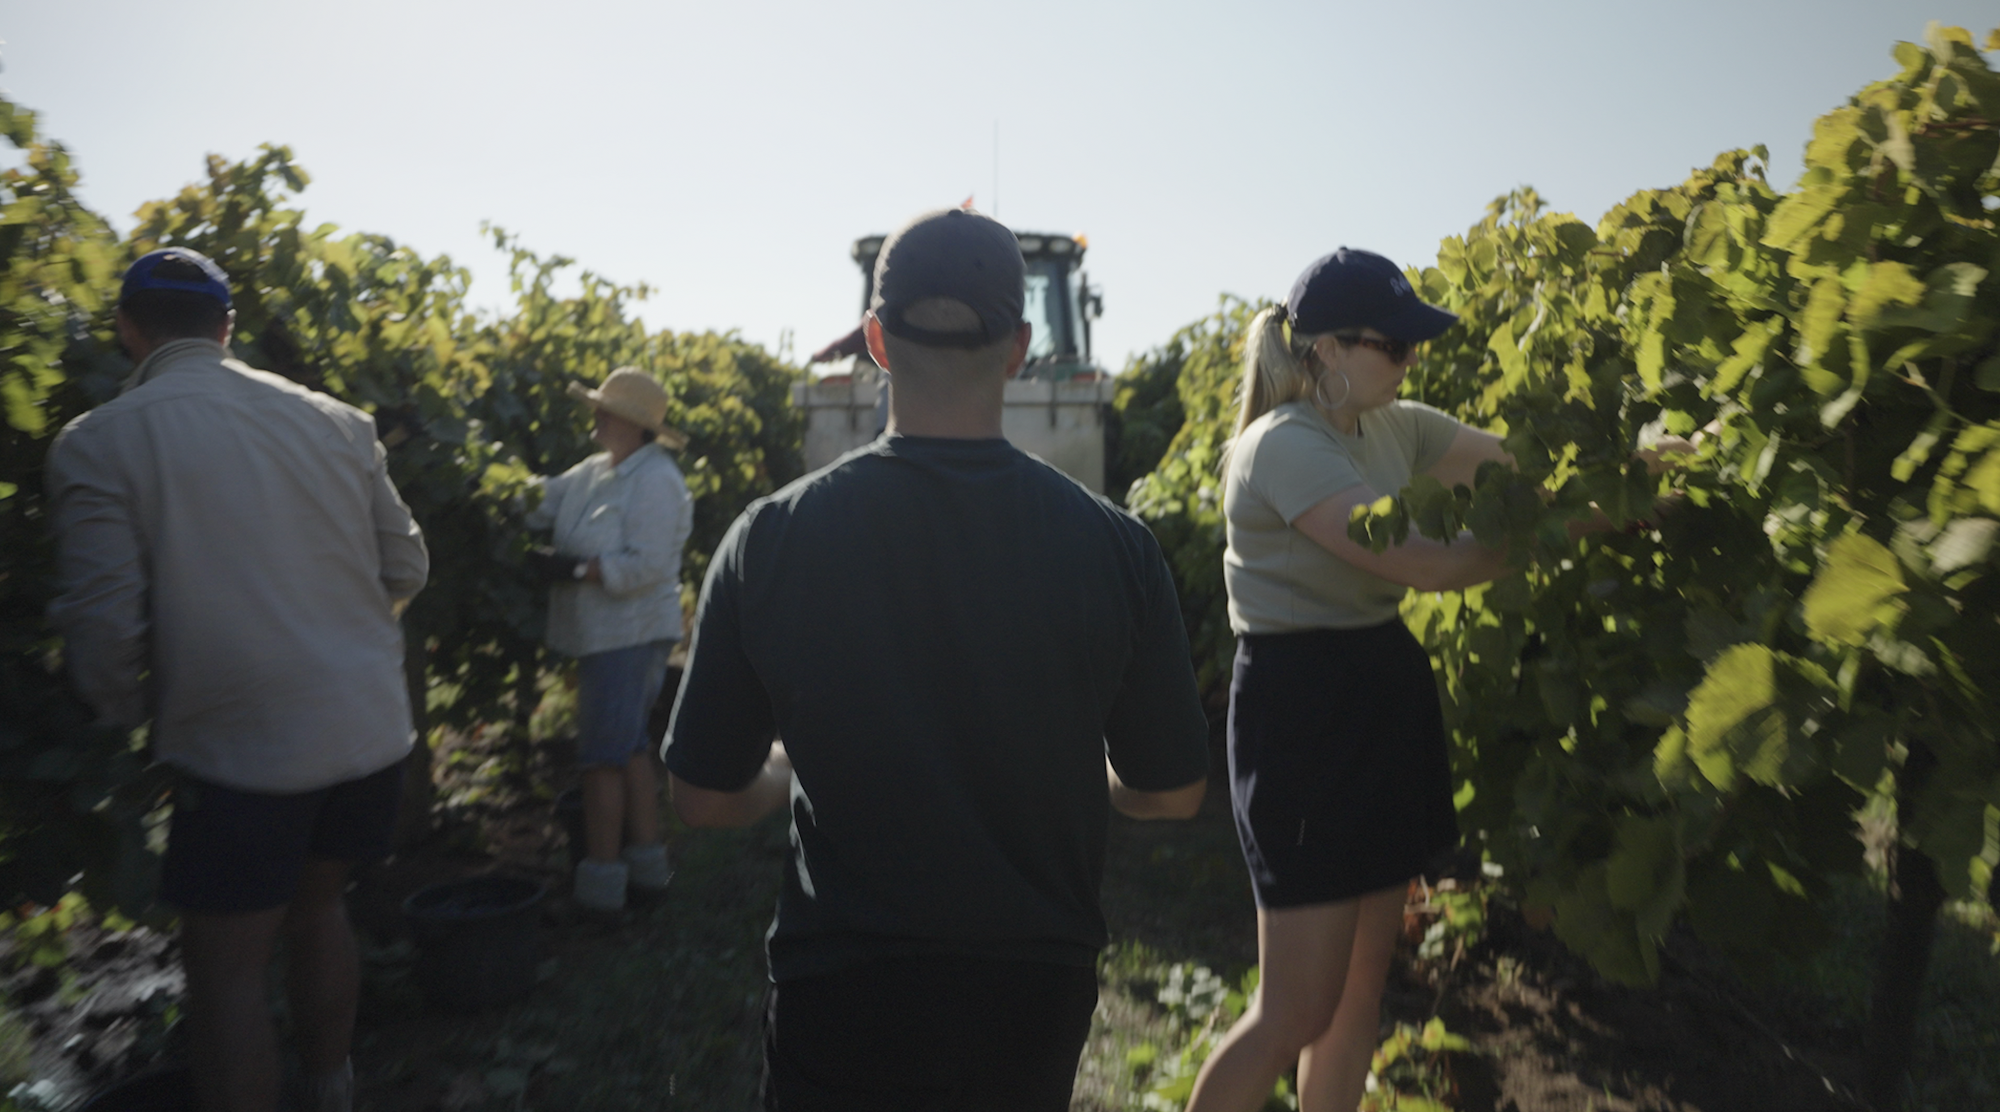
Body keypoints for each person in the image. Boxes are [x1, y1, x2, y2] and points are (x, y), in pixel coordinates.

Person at [661, 208, 1211, 1111]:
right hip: (1032, 990)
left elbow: (704, 797)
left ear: (875, 340)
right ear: (1020, 348)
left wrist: (781, 772)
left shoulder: (771, 539)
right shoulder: (1117, 548)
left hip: (842, 986)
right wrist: (1091, 770)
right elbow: (1171, 791)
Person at [46, 247, 428, 1112]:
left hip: (242, 752)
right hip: (368, 733)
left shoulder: (99, 443)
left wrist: (137, 719)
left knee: (226, 973)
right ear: (227, 328)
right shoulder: (338, 421)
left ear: (128, 331)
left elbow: (105, 637)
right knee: (320, 907)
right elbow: (407, 565)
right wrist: (334, 627)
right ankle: (333, 1091)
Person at [1182, 248, 1511, 1112]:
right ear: (1323, 350)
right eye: (1392, 345)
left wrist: (1630, 482)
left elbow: (1519, 470)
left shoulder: (1396, 425)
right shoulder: (1283, 446)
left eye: (1413, 346)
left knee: (1360, 991)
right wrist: (1545, 541)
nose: (1410, 360)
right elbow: (1418, 562)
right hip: (1304, 713)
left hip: (1378, 692)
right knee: (1293, 1010)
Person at [524, 367, 693, 912]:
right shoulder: (598, 470)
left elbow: (646, 565)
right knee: (629, 748)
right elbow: (538, 500)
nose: (594, 414)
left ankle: (600, 890)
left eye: (604, 408)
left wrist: (575, 571)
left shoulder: (657, 480)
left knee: (601, 757)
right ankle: (647, 870)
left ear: (634, 424)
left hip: (629, 632)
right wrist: (482, 478)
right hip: (608, 633)